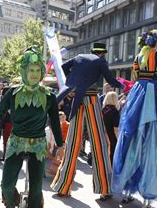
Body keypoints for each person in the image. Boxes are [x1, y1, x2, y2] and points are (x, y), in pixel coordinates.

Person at [0, 46, 63, 208]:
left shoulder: (49, 96)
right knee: (6, 184)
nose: (34, 74)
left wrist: (60, 144)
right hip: (16, 144)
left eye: (37, 70)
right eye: (30, 70)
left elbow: (55, 122)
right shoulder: (12, 93)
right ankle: (12, 200)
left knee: (36, 189)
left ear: (41, 72)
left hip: (37, 146)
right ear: (24, 72)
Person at [111, 29, 157, 208]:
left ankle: (127, 192)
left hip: (139, 92)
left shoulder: (138, 58)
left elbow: (135, 78)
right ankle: (147, 198)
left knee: (132, 135)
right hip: (154, 91)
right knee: (153, 139)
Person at [51, 42, 124, 199]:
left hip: (77, 99)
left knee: (72, 142)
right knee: (99, 142)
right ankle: (105, 188)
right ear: (103, 53)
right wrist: (124, 85)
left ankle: (63, 187)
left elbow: (62, 69)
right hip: (91, 99)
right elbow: (111, 80)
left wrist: (69, 86)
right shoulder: (100, 61)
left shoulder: (79, 57)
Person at [101, 91, 120, 164]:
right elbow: (116, 128)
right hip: (111, 136)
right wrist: (118, 139)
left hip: (103, 134)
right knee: (112, 155)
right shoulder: (115, 111)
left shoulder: (103, 110)